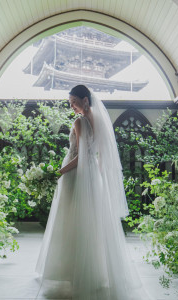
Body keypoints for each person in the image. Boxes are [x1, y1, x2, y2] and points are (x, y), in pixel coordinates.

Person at [35, 85, 152, 299]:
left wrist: (58, 173)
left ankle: (72, 273)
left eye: (73, 101)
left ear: (85, 100)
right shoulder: (97, 120)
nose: (71, 106)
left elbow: (78, 157)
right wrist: (97, 179)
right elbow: (95, 156)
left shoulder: (80, 121)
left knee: (72, 223)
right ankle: (93, 272)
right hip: (91, 178)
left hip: (76, 176)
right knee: (91, 225)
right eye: (69, 102)